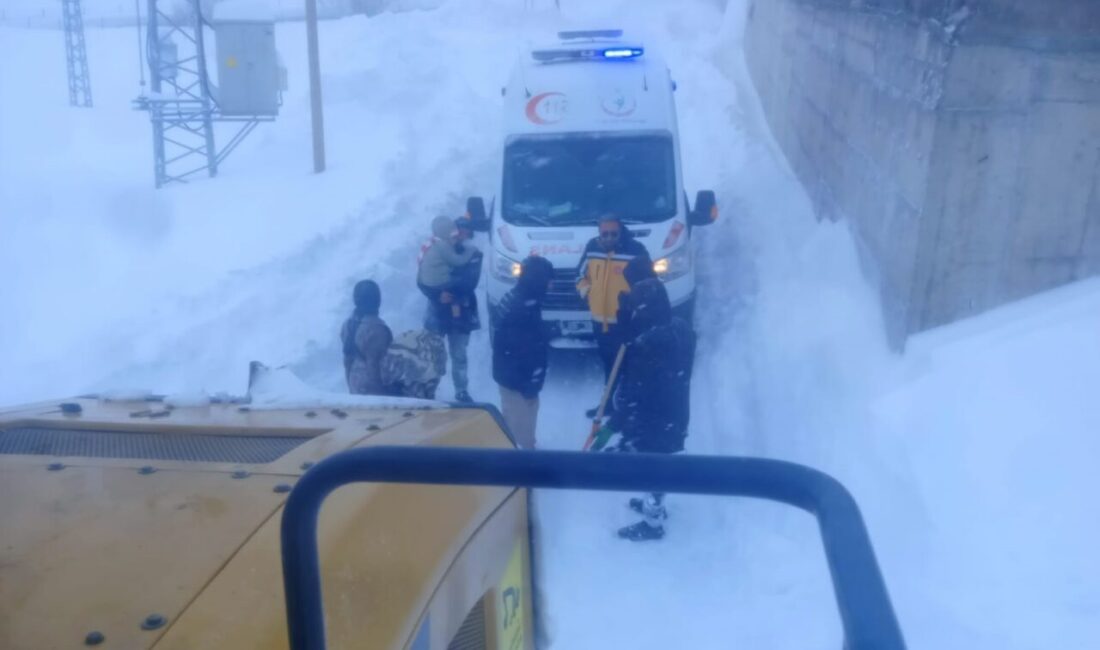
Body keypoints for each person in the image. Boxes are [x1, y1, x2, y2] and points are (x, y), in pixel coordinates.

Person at [598, 278, 696, 541]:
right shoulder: (681, 328)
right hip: (675, 413)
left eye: (636, 308)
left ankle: (653, 524)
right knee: (661, 460)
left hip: (653, 419)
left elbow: (634, 394)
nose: (633, 312)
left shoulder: (648, 345)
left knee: (654, 468)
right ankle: (654, 506)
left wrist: (615, 424)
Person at [575, 215, 648, 383]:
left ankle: (625, 404)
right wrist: (585, 290)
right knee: (608, 364)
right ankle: (608, 403)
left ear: (620, 232)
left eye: (613, 234)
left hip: (625, 322)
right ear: (599, 233)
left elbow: (648, 284)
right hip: (600, 322)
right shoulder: (592, 247)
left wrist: (635, 305)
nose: (609, 238)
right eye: (605, 234)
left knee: (628, 366)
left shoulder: (636, 251)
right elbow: (580, 275)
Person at [417, 215, 482, 402]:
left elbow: (470, 282)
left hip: (461, 309)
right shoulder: (437, 250)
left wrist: (451, 293)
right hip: (437, 310)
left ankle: (461, 390)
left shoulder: (473, 254)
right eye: (457, 230)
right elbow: (421, 280)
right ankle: (428, 390)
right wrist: (437, 295)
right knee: (432, 353)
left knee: (459, 354)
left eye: (464, 231)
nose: (459, 235)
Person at [492, 255, 554, 449]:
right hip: (517, 381)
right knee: (520, 437)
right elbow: (521, 349)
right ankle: (519, 473)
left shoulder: (522, 298)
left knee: (517, 425)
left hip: (513, 377)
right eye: (549, 280)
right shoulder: (522, 308)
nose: (551, 285)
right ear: (539, 279)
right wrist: (529, 382)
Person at [340, 280, 393, 396]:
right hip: (375, 393)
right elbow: (379, 369)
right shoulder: (379, 330)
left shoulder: (347, 324)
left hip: (354, 385)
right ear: (378, 301)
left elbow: (347, 360)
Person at [380, 329, 448, 399]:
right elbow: (441, 368)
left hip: (407, 369)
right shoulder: (436, 342)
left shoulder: (407, 336)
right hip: (412, 369)